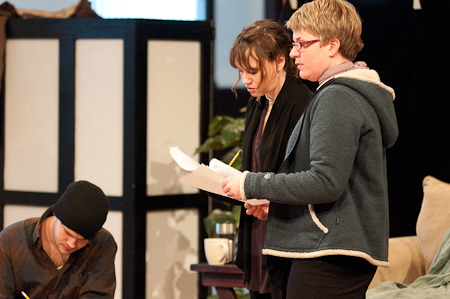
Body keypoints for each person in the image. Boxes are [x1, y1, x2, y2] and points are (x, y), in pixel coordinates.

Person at [222, 0, 399, 298]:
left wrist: (250, 183)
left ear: (332, 46)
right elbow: (339, 183)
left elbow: (325, 182)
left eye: (302, 44)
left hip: (332, 249)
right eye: (294, 44)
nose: (293, 53)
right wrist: (273, 203)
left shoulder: (338, 97)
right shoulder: (344, 93)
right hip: (337, 246)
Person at [225, 19, 312, 299]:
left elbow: (305, 174)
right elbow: (253, 165)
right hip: (256, 223)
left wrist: (270, 201)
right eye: (241, 71)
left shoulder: (302, 103)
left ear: (279, 61)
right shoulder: (257, 102)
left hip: (285, 225)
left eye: (252, 70)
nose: (246, 79)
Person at [0, 180, 117, 299]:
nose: (72, 244)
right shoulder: (9, 242)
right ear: (55, 214)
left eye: (82, 240)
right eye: (67, 233)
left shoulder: (102, 244)